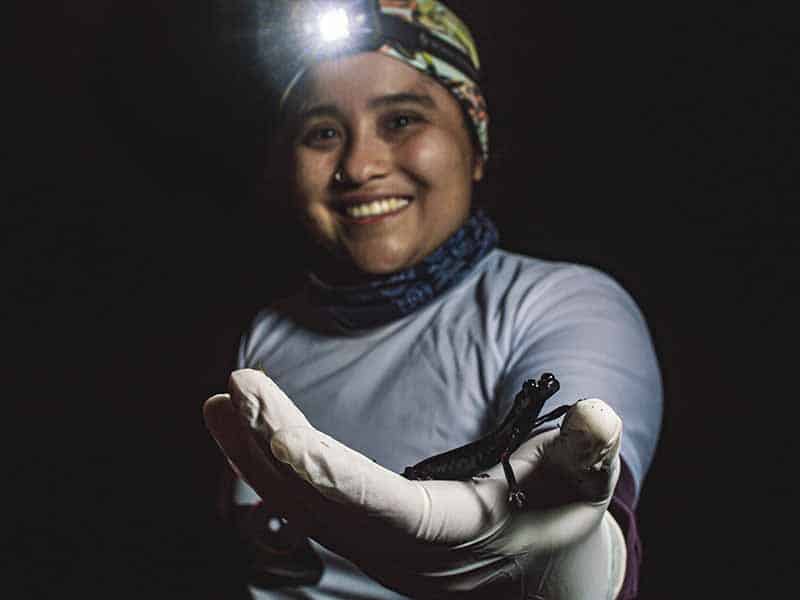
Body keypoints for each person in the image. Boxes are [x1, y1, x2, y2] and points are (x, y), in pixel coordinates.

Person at [203, 1, 662, 598]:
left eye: (401, 121)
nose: (360, 166)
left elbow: (587, 479)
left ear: (475, 145)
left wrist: (575, 551)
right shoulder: (263, 334)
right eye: (322, 133)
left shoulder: (562, 304)